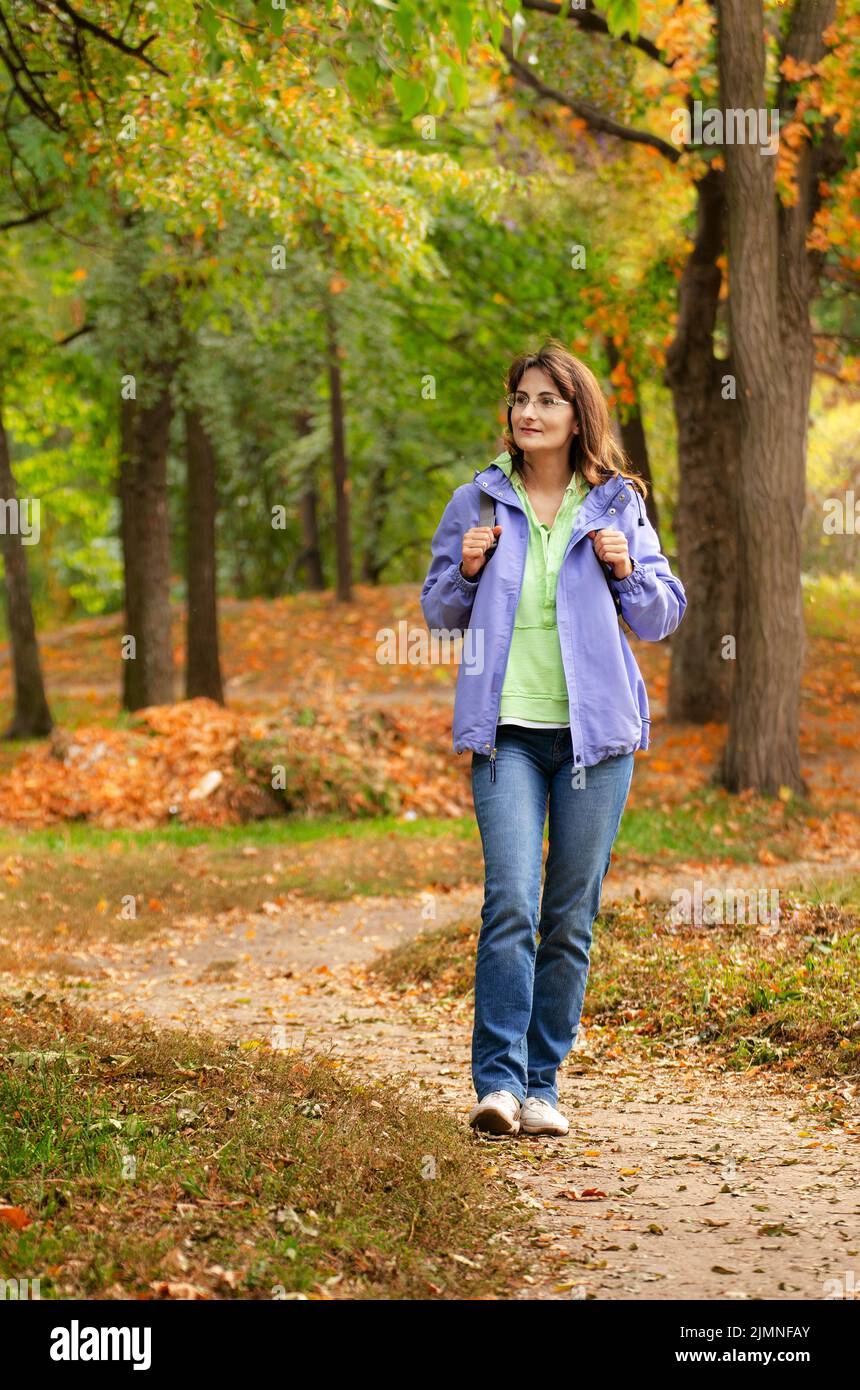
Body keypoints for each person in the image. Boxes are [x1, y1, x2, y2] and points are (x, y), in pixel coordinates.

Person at [420, 340, 687, 1138]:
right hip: (506, 736)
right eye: (520, 400)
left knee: (570, 915)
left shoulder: (616, 505)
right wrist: (464, 573)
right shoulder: (477, 500)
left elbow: (662, 614)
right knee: (511, 899)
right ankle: (497, 1083)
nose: (529, 413)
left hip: (594, 742)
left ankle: (544, 1086)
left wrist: (626, 569)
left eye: (547, 401)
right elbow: (437, 613)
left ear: (577, 417)